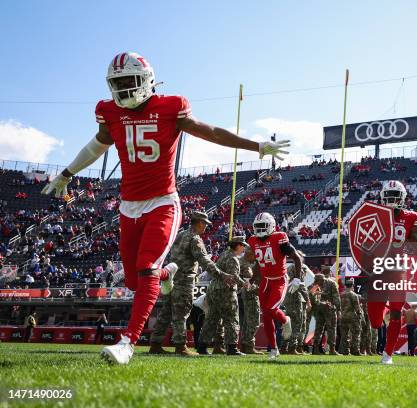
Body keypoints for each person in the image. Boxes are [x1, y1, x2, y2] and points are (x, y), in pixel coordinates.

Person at [42, 52, 289, 365]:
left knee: (145, 270)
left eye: (129, 82)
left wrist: (257, 146)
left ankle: (127, 343)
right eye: (117, 83)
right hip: (128, 205)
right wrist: (67, 173)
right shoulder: (109, 111)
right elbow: (97, 145)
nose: (123, 90)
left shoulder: (170, 107)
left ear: (146, 80)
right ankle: (168, 272)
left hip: (162, 202)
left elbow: (210, 131)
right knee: (134, 282)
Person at [149, 211, 223, 356]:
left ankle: (155, 344)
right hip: (184, 281)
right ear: (200, 223)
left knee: (166, 312)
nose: (206, 228)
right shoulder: (195, 239)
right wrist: (220, 274)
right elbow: (204, 260)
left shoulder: (181, 235)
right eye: (205, 225)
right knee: (182, 313)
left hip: (172, 279)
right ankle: (181, 346)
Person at [366, 180, 417, 364]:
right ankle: (383, 311)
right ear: (382, 197)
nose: (391, 199)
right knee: (374, 321)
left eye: (395, 196)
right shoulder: (374, 214)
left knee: (397, 311)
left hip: (398, 266)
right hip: (379, 269)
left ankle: (388, 354)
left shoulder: (411, 216)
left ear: (402, 198)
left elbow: (415, 242)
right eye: (388, 195)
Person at [247, 212, 303, 359]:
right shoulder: (253, 240)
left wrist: (297, 278)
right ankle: (274, 349)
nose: (259, 230)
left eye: (262, 226)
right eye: (257, 226)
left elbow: (296, 258)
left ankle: (285, 320)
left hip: (279, 279)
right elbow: (260, 264)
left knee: (272, 309)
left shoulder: (279, 238)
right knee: (266, 316)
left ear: (271, 225)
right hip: (265, 281)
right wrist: (252, 280)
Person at [200, 236, 248, 356]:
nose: (244, 249)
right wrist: (245, 285)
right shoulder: (233, 258)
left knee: (211, 319)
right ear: (238, 245)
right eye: (243, 246)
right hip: (226, 291)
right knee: (232, 318)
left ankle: (202, 347)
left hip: (214, 290)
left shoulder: (224, 254)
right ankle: (232, 348)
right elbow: (233, 277)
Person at [281, 263, 309, 354]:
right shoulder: (298, 268)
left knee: (287, 324)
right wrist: (308, 300)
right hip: (295, 300)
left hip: (286, 299)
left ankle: (284, 347)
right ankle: (292, 348)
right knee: (297, 323)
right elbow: (301, 286)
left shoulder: (287, 269)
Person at [310, 273, 341, 355]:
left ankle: (332, 349)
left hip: (329, 308)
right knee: (319, 328)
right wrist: (318, 303)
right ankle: (315, 349)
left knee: (331, 328)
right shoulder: (316, 284)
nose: (317, 284)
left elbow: (336, 297)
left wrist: (338, 309)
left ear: (322, 280)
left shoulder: (331, 283)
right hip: (320, 309)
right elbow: (311, 295)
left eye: (318, 282)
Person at [239, 253, 262, 354]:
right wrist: (261, 290)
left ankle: (245, 346)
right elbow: (248, 285)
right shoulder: (246, 265)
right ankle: (249, 346)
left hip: (248, 295)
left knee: (247, 322)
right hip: (251, 295)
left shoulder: (246, 263)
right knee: (254, 321)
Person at [339, 279, 363, 355]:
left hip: (343, 316)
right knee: (356, 333)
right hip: (352, 317)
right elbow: (357, 308)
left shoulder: (341, 294)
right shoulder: (354, 295)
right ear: (352, 286)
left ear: (345, 286)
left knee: (344, 335)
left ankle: (346, 351)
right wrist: (359, 316)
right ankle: (355, 350)